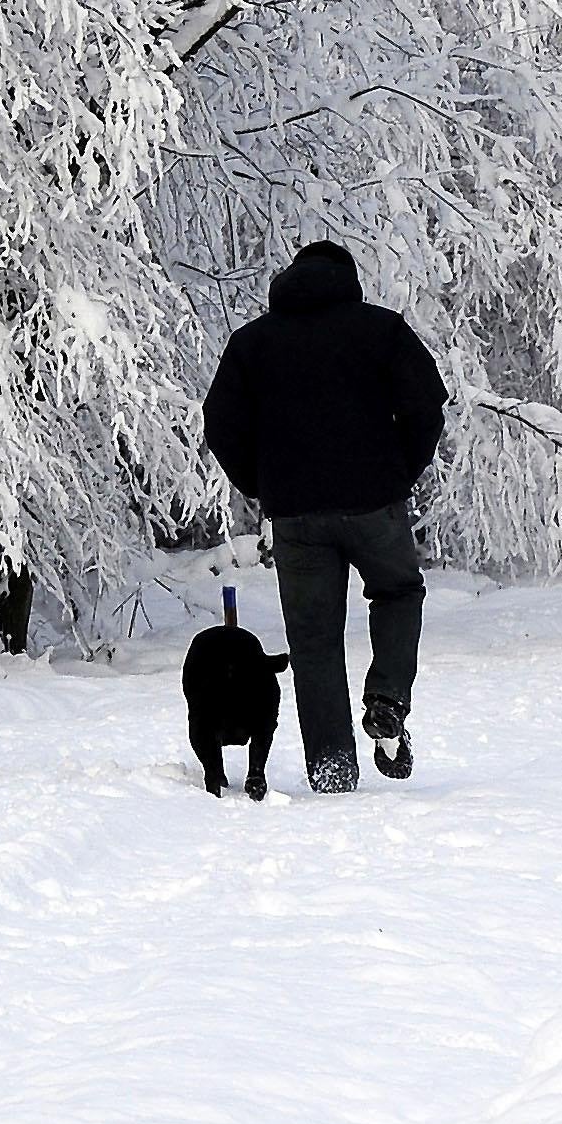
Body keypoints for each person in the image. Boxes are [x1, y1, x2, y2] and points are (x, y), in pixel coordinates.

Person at [202, 240, 447, 793]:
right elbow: (426, 403)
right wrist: (398, 472)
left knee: (313, 639)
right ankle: (387, 694)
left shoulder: (253, 344)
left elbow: (219, 422)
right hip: (373, 504)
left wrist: (264, 485)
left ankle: (333, 770)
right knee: (398, 592)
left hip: (296, 516)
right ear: (347, 279)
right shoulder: (382, 330)